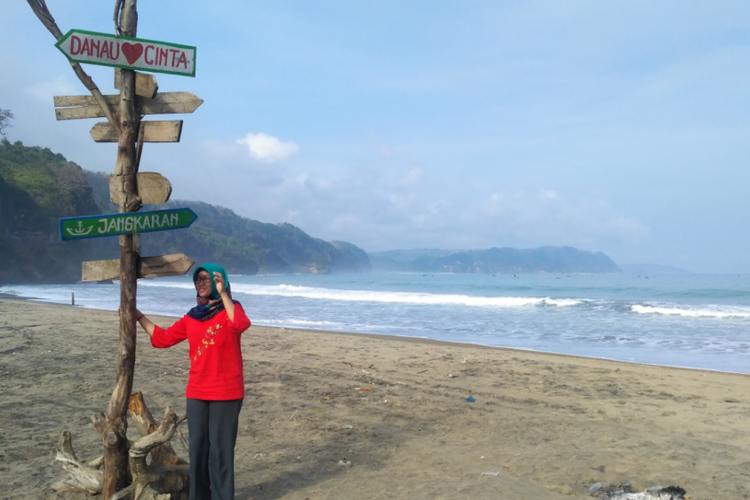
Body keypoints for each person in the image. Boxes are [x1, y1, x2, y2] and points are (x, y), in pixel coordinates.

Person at [134, 263, 251, 500]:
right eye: (198, 279)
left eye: (209, 278)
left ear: (221, 281)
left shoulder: (231, 309)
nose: (202, 283)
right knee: (198, 450)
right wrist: (138, 315)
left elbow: (240, 324)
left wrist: (224, 294)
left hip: (226, 393)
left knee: (220, 453)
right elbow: (162, 338)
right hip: (197, 393)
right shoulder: (192, 316)